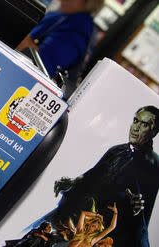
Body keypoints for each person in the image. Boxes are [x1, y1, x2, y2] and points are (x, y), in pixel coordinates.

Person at [40, 105, 159, 246]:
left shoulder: (153, 164)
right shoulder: (116, 150)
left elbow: (143, 215)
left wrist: (135, 209)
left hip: (111, 232)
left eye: (144, 124)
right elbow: (92, 175)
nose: (136, 128)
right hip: (87, 220)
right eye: (135, 121)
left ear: (154, 131)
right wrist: (74, 182)